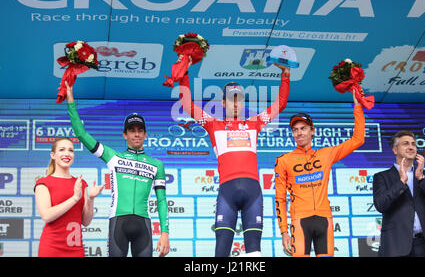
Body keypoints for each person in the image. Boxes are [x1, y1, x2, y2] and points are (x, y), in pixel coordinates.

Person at [176, 56, 290, 257]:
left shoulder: (254, 123)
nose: (235, 104)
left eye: (239, 99)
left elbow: (279, 104)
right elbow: (186, 103)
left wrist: (286, 75)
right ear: (223, 102)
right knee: (221, 253)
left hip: (253, 193)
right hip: (226, 193)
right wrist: (184, 70)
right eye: (231, 99)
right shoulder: (213, 124)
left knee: (254, 253)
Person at [64, 81, 170, 257]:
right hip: (118, 224)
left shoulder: (156, 164)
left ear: (145, 134)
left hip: (144, 226)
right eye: (131, 130)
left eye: (140, 130)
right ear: (125, 135)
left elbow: (161, 200)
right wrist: (70, 101)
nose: (136, 134)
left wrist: (165, 232)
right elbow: (82, 134)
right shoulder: (113, 157)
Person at [274, 90, 364, 257]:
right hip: (299, 220)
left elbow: (358, 139)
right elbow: (280, 198)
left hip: (324, 219)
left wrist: (357, 106)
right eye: (295, 130)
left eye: (303, 128)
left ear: (312, 131)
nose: (299, 133)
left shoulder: (326, 154)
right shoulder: (284, 160)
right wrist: (284, 232)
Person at [373, 130, 425, 257]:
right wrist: (401, 182)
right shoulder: (381, 177)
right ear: (395, 150)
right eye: (405, 144)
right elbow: (381, 205)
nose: (411, 147)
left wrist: (422, 178)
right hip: (396, 246)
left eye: (413, 144)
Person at [34, 137, 104, 257]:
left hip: (76, 249)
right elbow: (46, 215)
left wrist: (91, 199)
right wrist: (74, 198)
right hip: (51, 248)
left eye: (71, 150)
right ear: (53, 155)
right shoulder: (43, 183)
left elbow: (85, 222)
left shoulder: (81, 184)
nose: (67, 153)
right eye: (62, 150)